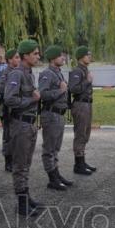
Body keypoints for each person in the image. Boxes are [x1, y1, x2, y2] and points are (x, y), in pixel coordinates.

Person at [4, 39, 45, 217]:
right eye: (35, 53)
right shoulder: (17, 74)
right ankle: (22, 205)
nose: (38, 56)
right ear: (25, 55)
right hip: (20, 124)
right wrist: (32, 100)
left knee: (26, 164)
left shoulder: (29, 73)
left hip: (29, 123)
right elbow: (9, 99)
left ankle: (26, 197)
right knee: (20, 165)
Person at [39, 45, 74, 191]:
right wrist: (61, 91)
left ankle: (56, 174)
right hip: (51, 114)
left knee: (56, 148)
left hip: (59, 114)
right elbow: (43, 94)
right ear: (53, 58)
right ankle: (52, 179)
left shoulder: (58, 73)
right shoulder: (47, 74)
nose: (64, 58)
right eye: (61, 56)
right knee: (49, 148)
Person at [68, 46, 96, 175]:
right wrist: (87, 81)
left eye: (89, 54)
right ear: (80, 57)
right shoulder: (77, 71)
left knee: (86, 133)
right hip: (80, 104)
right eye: (87, 54)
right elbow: (73, 88)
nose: (89, 56)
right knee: (80, 134)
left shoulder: (85, 70)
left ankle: (82, 161)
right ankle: (78, 165)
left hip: (87, 104)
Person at [0, 49, 20, 173]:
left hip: (17, 110)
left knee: (16, 136)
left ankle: (15, 159)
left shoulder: (18, 72)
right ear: (9, 60)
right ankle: (8, 161)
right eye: (16, 57)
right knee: (8, 136)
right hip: (7, 110)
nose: (19, 59)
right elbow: (0, 91)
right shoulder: (6, 73)